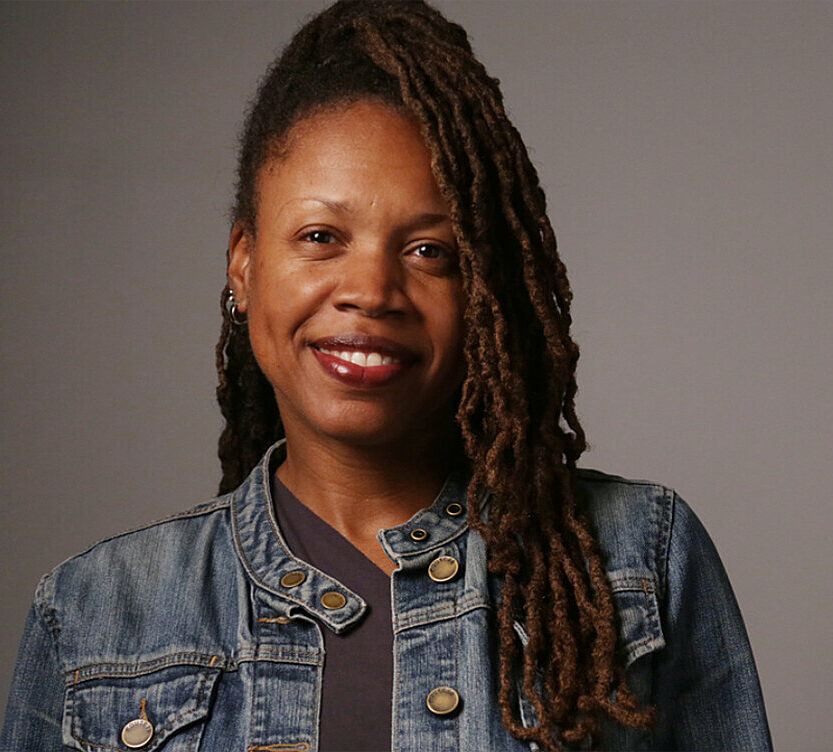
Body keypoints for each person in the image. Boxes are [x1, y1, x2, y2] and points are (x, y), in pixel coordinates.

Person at [1, 1, 772, 750]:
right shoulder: (95, 610)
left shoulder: (638, 557)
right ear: (244, 264)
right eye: (320, 236)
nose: (369, 289)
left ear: (483, 291)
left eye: (429, 250)